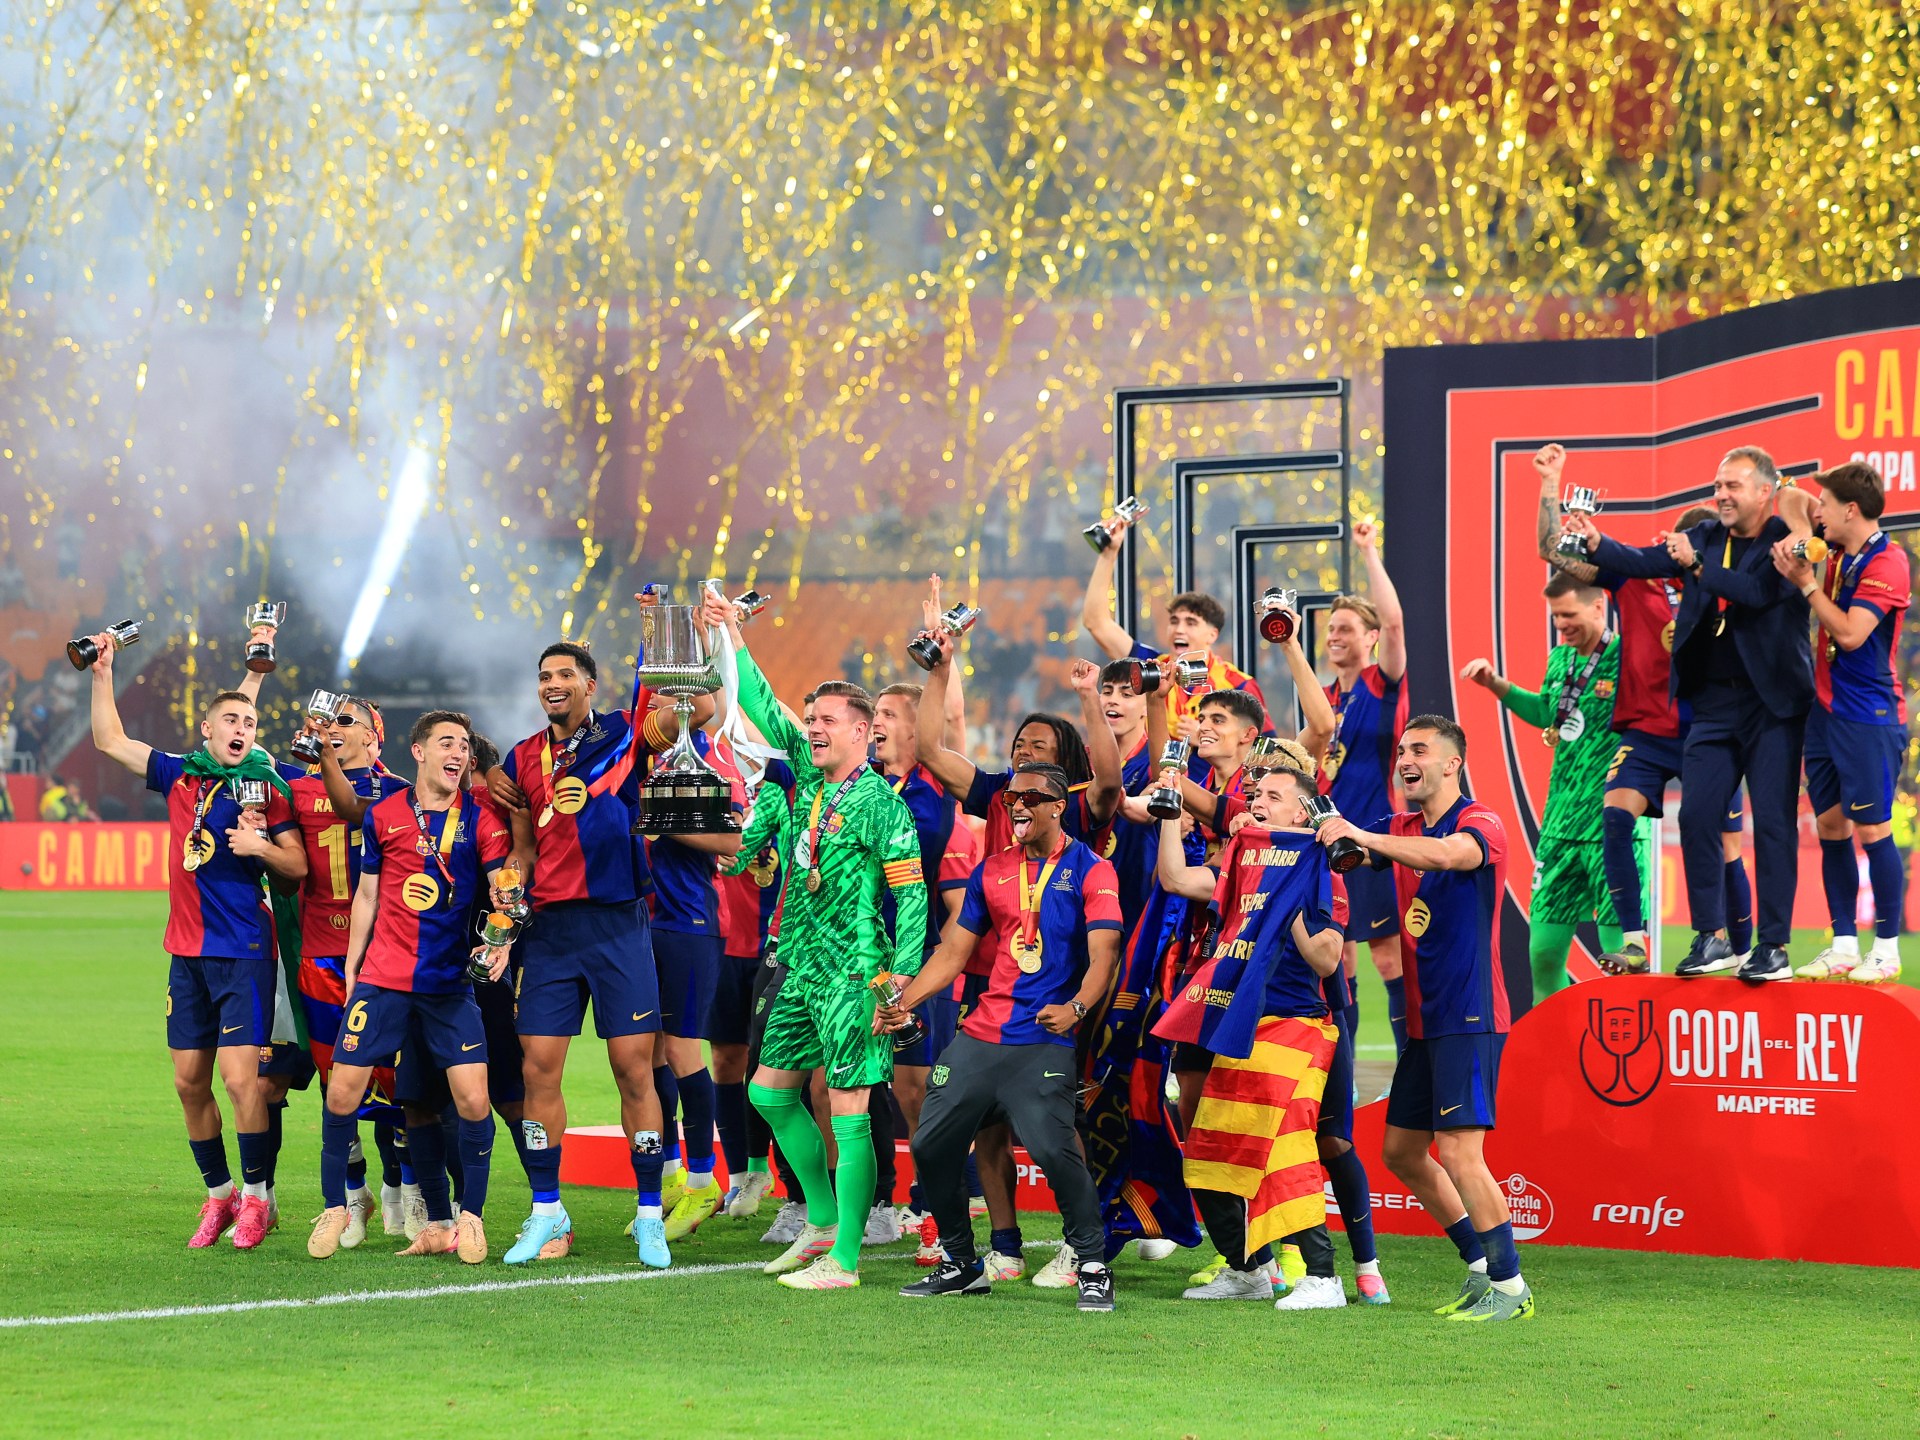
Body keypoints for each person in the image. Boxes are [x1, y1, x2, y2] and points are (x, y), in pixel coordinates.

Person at [701, 588, 928, 1291]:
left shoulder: (883, 806)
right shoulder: (804, 780)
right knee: (769, 1095)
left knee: (850, 1110)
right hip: (799, 966)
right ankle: (823, 1221)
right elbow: (761, 703)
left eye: (827, 721)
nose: (813, 729)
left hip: (855, 974)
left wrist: (900, 979)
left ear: (862, 731)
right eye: (812, 720)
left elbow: (911, 897)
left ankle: (847, 1259)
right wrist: (733, 635)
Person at [85, 639, 308, 1249]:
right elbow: (109, 740)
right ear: (206, 729)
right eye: (230, 720)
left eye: (250, 723)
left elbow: (296, 867)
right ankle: (220, 1195)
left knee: (241, 1082)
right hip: (185, 955)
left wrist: (261, 848)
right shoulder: (181, 774)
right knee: (188, 1082)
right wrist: (103, 672)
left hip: (243, 953)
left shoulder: (265, 786)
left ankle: (257, 1199)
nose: (241, 730)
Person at [485, 637, 701, 1268]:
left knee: (634, 1070)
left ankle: (649, 1214)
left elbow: (699, 712)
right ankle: (547, 1210)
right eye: (544, 676)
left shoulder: (625, 734)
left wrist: (675, 652)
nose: (552, 684)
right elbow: (524, 847)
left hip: (617, 926)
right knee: (537, 1070)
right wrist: (508, 893)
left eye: (564, 674)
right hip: (550, 934)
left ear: (589, 684)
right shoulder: (524, 756)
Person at [913, 624, 1120, 1279]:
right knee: (983, 1125)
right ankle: (1001, 1247)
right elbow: (929, 747)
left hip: (1063, 987)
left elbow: (1109, 776)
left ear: (1063, 783)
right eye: (1019, 746)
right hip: (991, 984)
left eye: (1038, 749)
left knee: (1058, 1126)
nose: (1022, 755)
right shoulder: (998, 799)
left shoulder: (1081, 814)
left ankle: (1081, 1246)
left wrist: (1088, 698)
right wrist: (940, 669)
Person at [1311, 715, 1533, 1322]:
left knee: (1460, 1153)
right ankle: (1481, 1265)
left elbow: (1449, 855)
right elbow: (1353, 850)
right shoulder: (1401, 827)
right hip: (1422, 1021)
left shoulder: (1480, 822)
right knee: (1403, 1151)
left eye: (1420, 750)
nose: (1405, 759)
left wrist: (1363, 836)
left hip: (1469, 1012)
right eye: (1402, 750)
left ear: (1452, 764)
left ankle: (1511, 1287)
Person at [1568, 446, 1814, 982]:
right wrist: (1596, 542)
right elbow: (1643, 562)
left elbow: (1754, 593)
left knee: (1773, 823)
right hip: (1713, 703)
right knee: (1697, 814)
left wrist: (1697, 565)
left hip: (1772, 705)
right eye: (1718, 485)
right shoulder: (1705, 536)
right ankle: (1711, 938)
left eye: (1733, 486)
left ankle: (1773, 947)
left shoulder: (1785, 542)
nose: (1721, 495)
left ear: (1764, 492)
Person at [883, 763, 1123, 1313]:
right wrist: (905, 1001)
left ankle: (1091, 1265)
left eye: (1030, 798)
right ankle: (961, 1263)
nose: (1017, 805)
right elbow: (953, 952)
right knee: (930, 1143)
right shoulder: (991, 870)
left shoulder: (1093, 870)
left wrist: (1077, 1007)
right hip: (983, 1031)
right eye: (1012, 797)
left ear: (1058, 806)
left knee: (1053, 1149)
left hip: (1043, 1036)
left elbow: (1104, 955)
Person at [1532, 443, 1748, 976]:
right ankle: (1633, 941)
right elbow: (1552, 551)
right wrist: (1550, 484)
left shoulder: (1725, 587)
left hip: (1709, 730)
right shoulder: (1635, 576)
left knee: (1724, 843)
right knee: (1614, 815)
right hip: (1649, 731)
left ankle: (1743, 949)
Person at [308, 712, 515, 1262]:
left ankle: (471, 1219)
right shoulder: (384, 814)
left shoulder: (482, 821)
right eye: (447, 743)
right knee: (341, 1092)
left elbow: (503, 891)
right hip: (384, 979)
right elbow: (368, 895)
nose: (459, 753)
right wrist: (353, 965)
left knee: (474, 1099)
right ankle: (334, 1207)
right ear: (419, 752)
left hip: (449, 985)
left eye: (464, 745)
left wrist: (502, 939)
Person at [1153, 763, 1349, 1310]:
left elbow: (1327, 959)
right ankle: (1248, 1270)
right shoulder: (1245, 859)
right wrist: (1168, 809)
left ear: (1302, 814)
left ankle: (1324, 1277)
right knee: (1208, 1152)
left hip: (1295, 1025)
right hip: (1240, 1024)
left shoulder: (1322, 866)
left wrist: (1287, 898)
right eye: (1256, 793)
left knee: (1286, 1152)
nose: (1257, 802)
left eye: (1273, 796)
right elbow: (1175, 879)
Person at [278, 695, 411, 1244]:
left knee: (395, 1079)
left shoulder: (398, 790)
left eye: (346, 722)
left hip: (383, 956)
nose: (333, 728)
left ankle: (402, 1188)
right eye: (328, 722)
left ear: (373, 738)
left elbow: (354, 807)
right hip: (320, 953)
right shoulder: (295, 786)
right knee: (338, 1081)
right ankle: (354, 1194)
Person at [1775, 462, 1911, 984]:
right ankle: (1844, 945)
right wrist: (1805, 531)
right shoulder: (1831, 548)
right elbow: (1791, 498)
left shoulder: (1888, 561)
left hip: (1868, 716)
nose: (1821, 514)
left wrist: (1808, 584)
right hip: (1826, 711)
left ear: (1851, 509)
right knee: (1831, 826)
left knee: (1873, 829)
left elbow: (1851, 635)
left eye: (1828, 506)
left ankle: (1887, 948)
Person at [1461, 572, 1621, 1001]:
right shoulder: (1560, 658)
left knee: (1621, 961)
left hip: (1613, 824)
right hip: (1560, 826)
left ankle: (1628, 1045)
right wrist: (1495, 684)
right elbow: (1549, 713)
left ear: (1598, 607)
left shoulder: (1626, 656)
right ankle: (1556, 1044)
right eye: (1555, 617)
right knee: (1544, 955)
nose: (1561, 625)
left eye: (1568, 615)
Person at [871, 677, 980, 1241]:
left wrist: (943, 666)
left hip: (913, 962)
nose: (877, 721)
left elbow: (952, 721)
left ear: (918, 727)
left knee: (918, 1095)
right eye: (875, 712)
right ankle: (870, 1207)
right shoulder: (866, 784)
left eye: (889, 713)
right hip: (861, 959)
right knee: (847, 1088)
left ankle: (941, 1205)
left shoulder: (935, 790)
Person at [1315, 521, 1410, 1053]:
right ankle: (1342, 1078)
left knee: (1388, 958)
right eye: (1331, 629)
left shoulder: (1383, 683)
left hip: (1374, 838)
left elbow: (1394, 621)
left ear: (1370, 638)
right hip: (1327, 843)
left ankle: (1409, 1074)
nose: (1335, 636)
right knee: (1339, 960)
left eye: (1347, 628)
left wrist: (1369, 551)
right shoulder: (1324, 696)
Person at [647, 736, 744, 1241]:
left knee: (683, 1050)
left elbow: (731, 841)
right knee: (650, 1054)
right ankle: (670, 1177)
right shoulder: (632, 755)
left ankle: (704, 1182)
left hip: (689, 920)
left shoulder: (709, 761)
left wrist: (660, 820)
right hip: (640, 922)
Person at [1079, 508, 1269, 732]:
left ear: (1212, 634)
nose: (1179, 629)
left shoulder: (1238, 684)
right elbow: (1096, 622)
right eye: (1174, 621)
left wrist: (1209, 735)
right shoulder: (1148, 667)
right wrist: (1108, 554)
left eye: (1191, 623)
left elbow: (1265, 744)